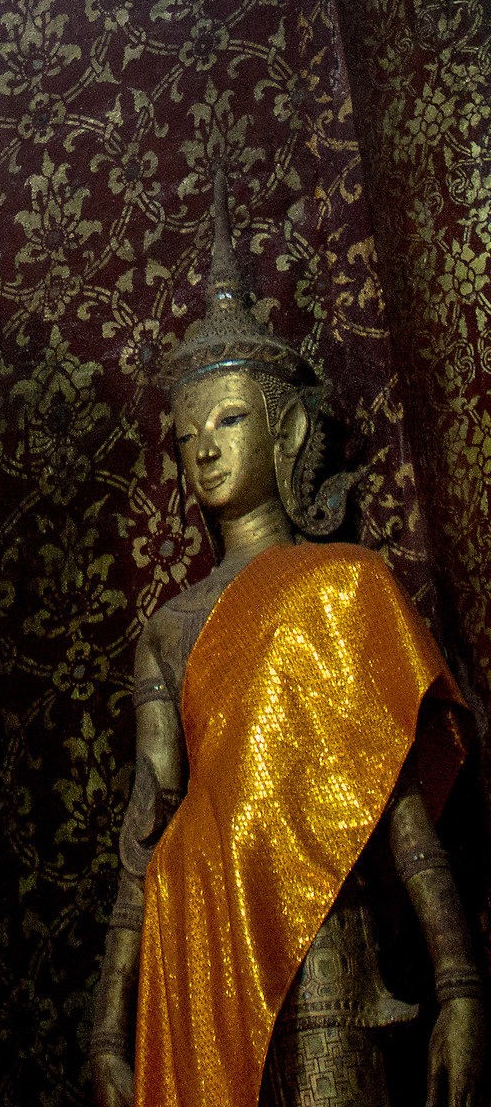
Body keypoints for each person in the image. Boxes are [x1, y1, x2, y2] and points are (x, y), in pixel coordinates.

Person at [87, 177, 483, 1107]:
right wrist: (108, 1023)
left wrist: (460, 984)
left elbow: (397, 804)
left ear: (288, 425)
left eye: (229, 418)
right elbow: (148, 818)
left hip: (321, 931)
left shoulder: (344, 585)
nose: (206, 446)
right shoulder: (170, 627)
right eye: (189, 433)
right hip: (194, 933)